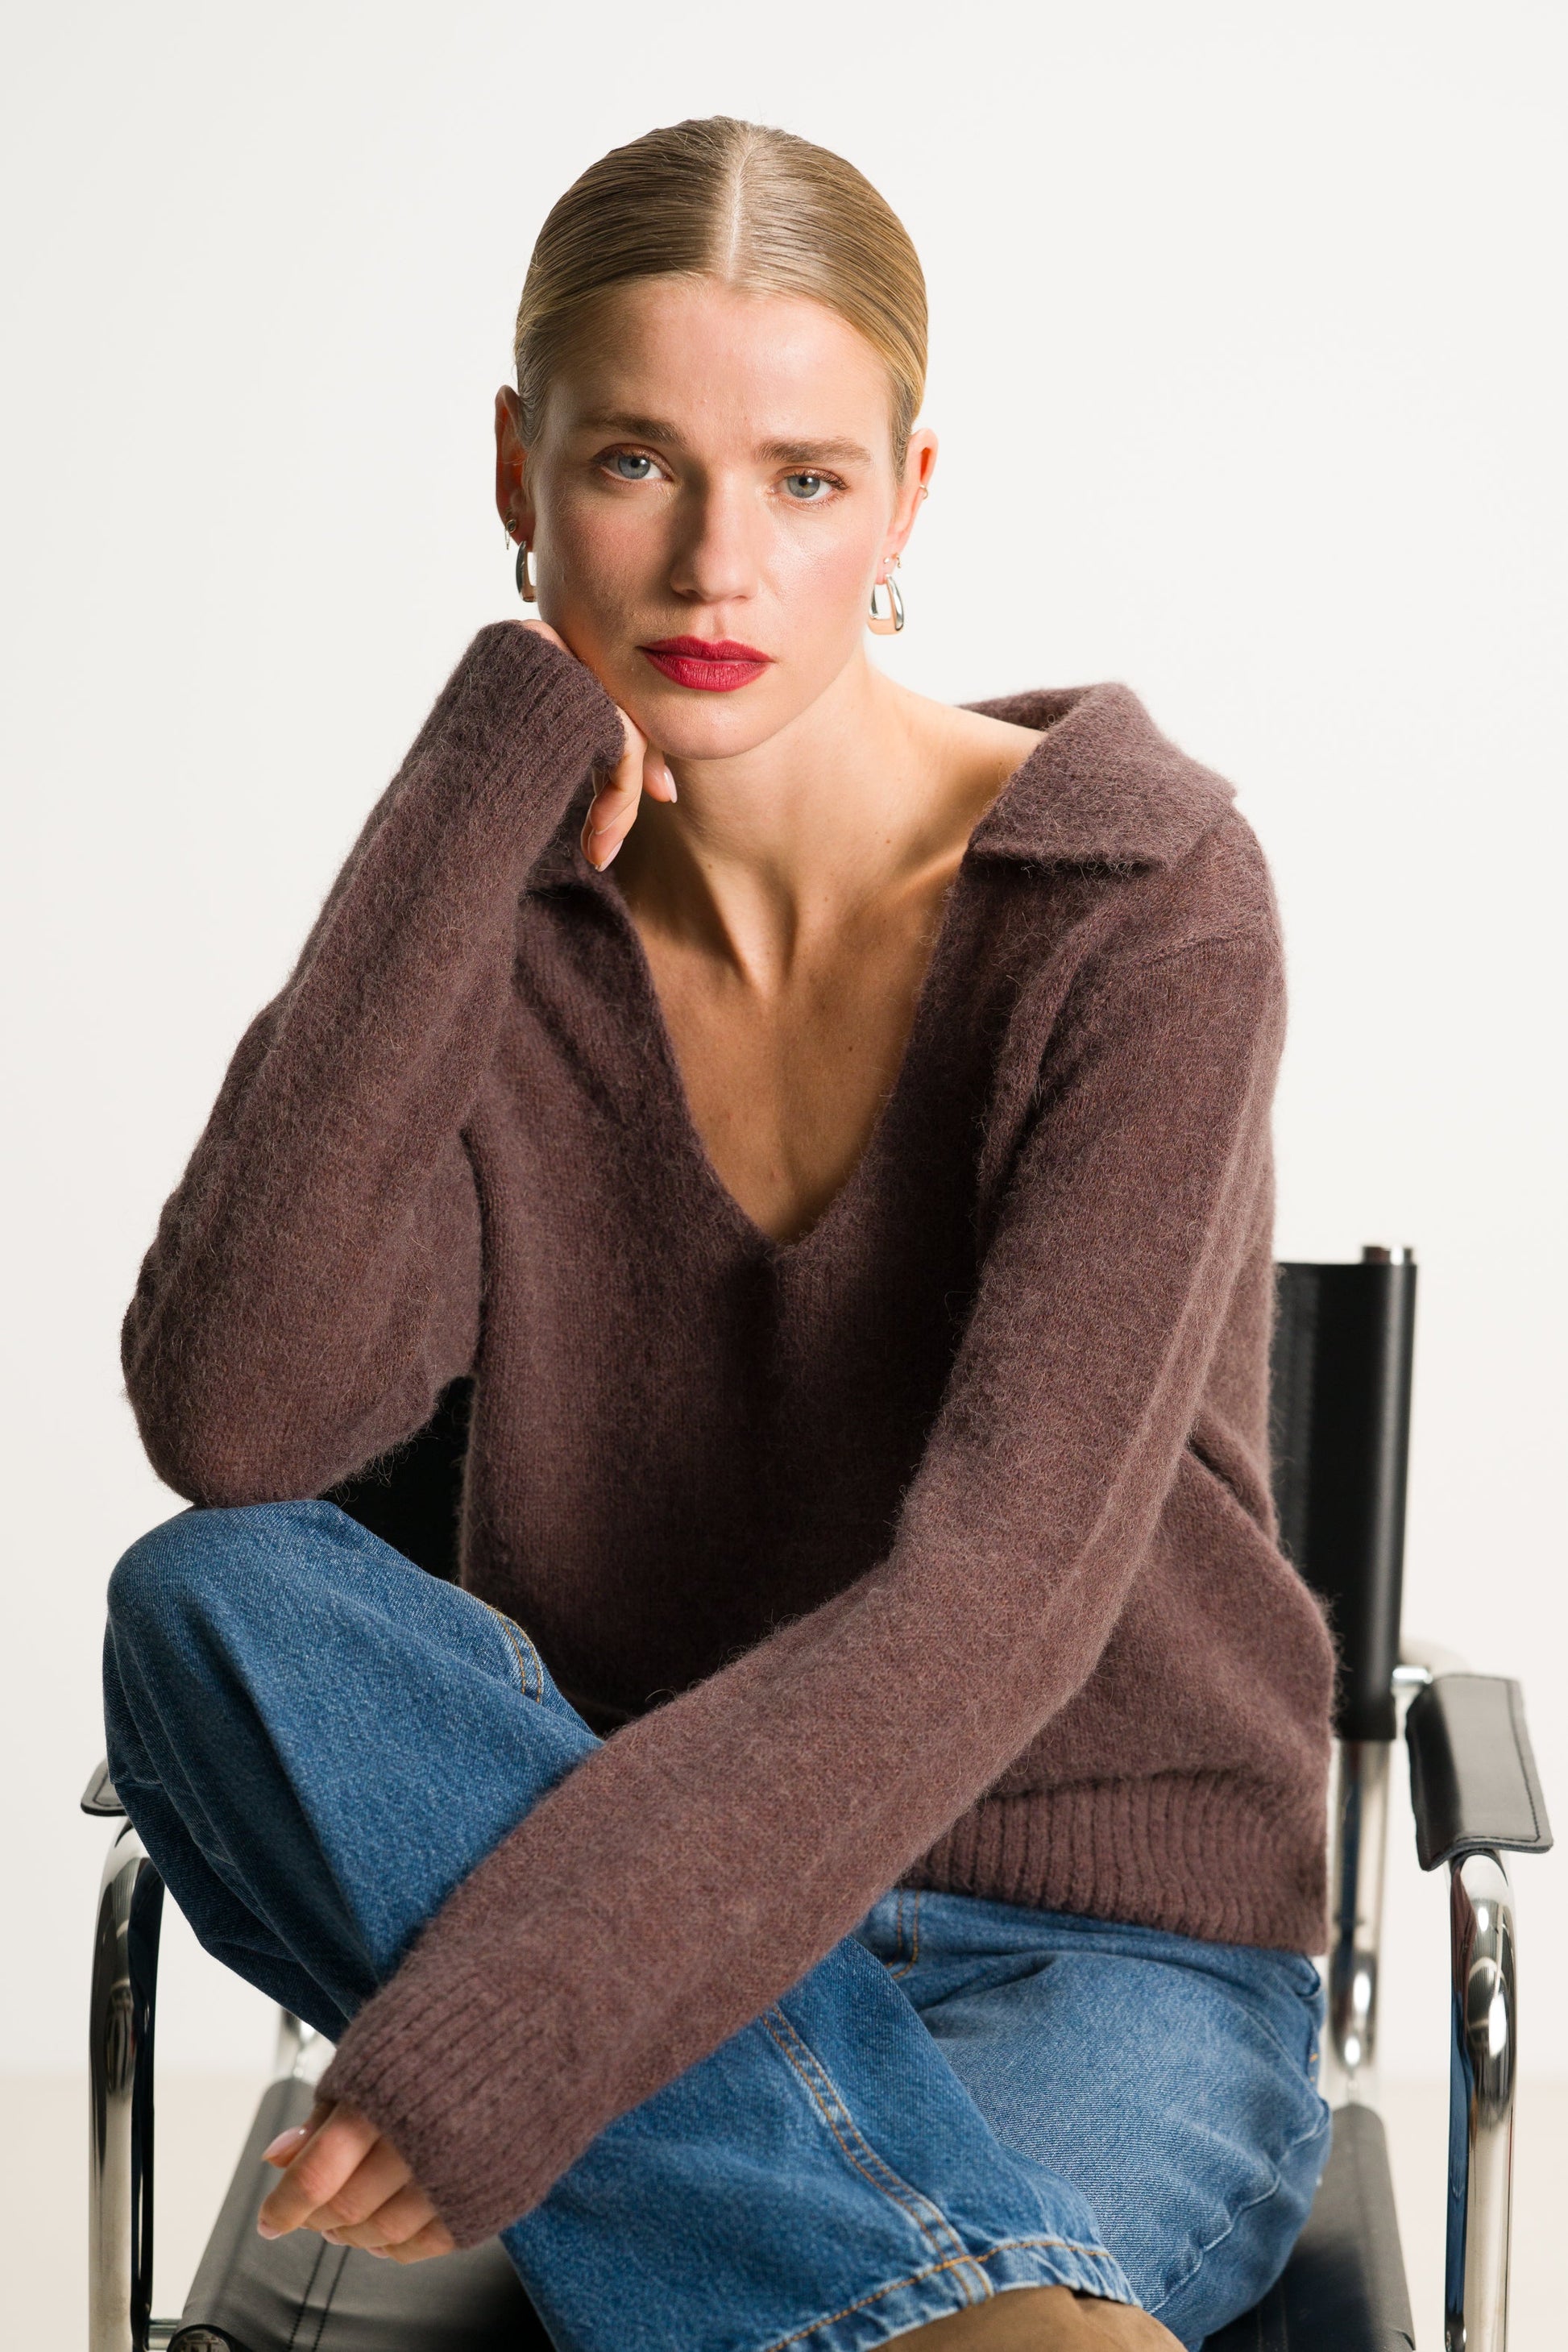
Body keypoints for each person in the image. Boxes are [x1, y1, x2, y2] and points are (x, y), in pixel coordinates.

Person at [105, 116, 1337, 2352]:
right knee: (208, 1599)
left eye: (803, 479)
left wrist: (537, 2031)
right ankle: (961, 2307)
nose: (714, 566)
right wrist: (478, 778)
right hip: (606, 1860)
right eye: (634, 465)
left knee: (848, 2278)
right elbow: (238, 1416)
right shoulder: (498, 928)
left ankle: (889, 2277)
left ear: (906, 502)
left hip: (1091, 1952)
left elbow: (995, 1595)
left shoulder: (1137, 904)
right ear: (517, 469)